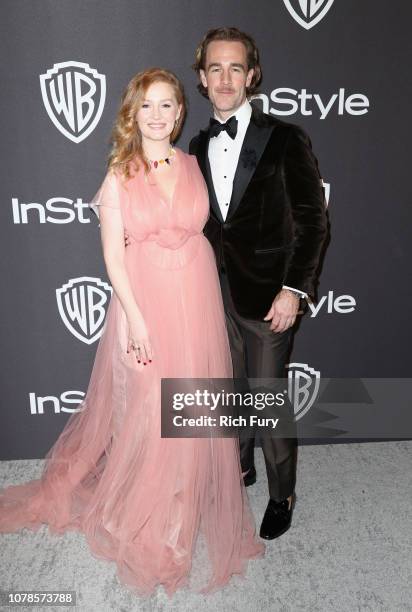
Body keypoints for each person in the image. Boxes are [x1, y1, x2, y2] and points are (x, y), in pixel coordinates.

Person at [0, 68, 264, 596]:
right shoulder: (120, 171)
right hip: (143, 302)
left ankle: (178, 515)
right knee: (147, 409)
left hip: (194, 294)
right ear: (132, 113)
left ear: (180, 111)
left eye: (168, 105)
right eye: (148, 106)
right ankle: (137, 513)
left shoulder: (192, 164)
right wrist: (135, 321)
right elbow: (112, 259)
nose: (159, 115)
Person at [188, 28, 328, 540]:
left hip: (270, 298)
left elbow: (313, 221)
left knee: (268, 400)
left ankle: (281, 493)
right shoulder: (198, 145)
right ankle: (238, 469)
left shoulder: (285, 137)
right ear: (202, 78)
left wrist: (295, 289)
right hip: (211, 296)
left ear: (253, 74)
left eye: (235, 68)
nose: (226, 79)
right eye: (215, 69)